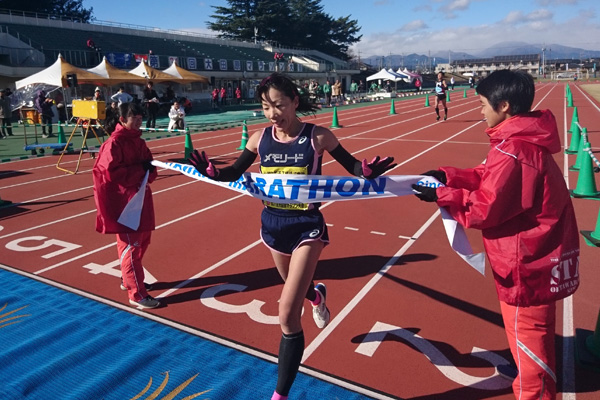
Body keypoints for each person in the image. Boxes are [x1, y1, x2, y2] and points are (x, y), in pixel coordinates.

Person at [188, 73, 395, 400]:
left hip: (306, 227)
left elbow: (353, 167)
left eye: (279, 105)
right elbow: (232, 173)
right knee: (296, 291)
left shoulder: (318, 138)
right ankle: (317, 297)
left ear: (295, 102)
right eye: (266, 107)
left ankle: (280, 395)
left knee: (287, 312)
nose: (273, 114)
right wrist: (211, 171)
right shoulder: (258, 139)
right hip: (272, 226)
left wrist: (366, 172)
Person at [412, 69, 580, 400]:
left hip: (525, 264)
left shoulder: (513, 150)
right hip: (535, 258)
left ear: (503, 106)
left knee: (530, 348)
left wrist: (442, 195)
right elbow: (490, 177)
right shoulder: (520, 143)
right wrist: (448, 175)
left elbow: (485, 208)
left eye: (482, 104)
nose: (480, 111)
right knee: (531, 338)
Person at [92, 102, 160, 309]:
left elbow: (148, 165)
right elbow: (112, 174)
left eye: (140, 118)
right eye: (134, 118)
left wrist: (149, 169)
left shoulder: (138, 141)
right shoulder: (114, 144)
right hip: (124, 204)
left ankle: (127, 278)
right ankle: (137, 294)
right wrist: (141, 170)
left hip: (140, 198)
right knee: (131, 247)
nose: (139, 122)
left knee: (143, 240)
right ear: (122, 119)